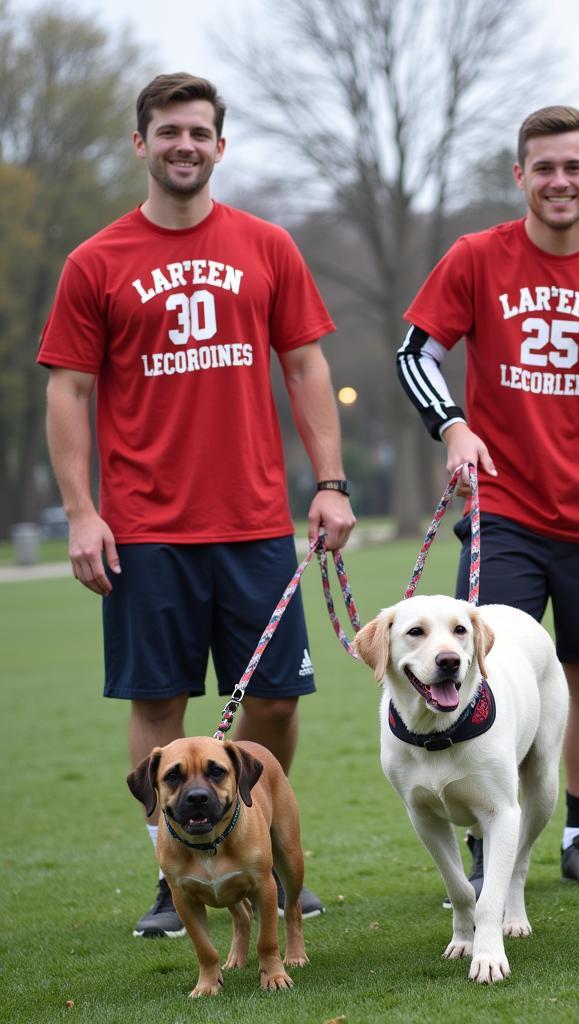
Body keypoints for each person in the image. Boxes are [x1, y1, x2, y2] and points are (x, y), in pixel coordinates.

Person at [38, 73, 356, 938]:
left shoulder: (266, 245)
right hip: (144, 529)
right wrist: (79, 511)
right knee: (158, 705)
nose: (185, 145)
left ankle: (252, 848)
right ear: (141, 144)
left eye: (200, 132)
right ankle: (172, 869)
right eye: (168, 131)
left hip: (255, 522)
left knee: (279, 703)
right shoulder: (95, 262)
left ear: (221, 145)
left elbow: (304, 368)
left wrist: (329, 484)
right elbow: (68, 391)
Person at [397, 105, 579, 888]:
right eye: (544, 168)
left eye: (574, 167)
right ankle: (494, 830)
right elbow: (415, 353)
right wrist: (452, 426)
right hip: (505, 513)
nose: (560, 181)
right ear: (520, 176)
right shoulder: (475, 258)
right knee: (483, 668)